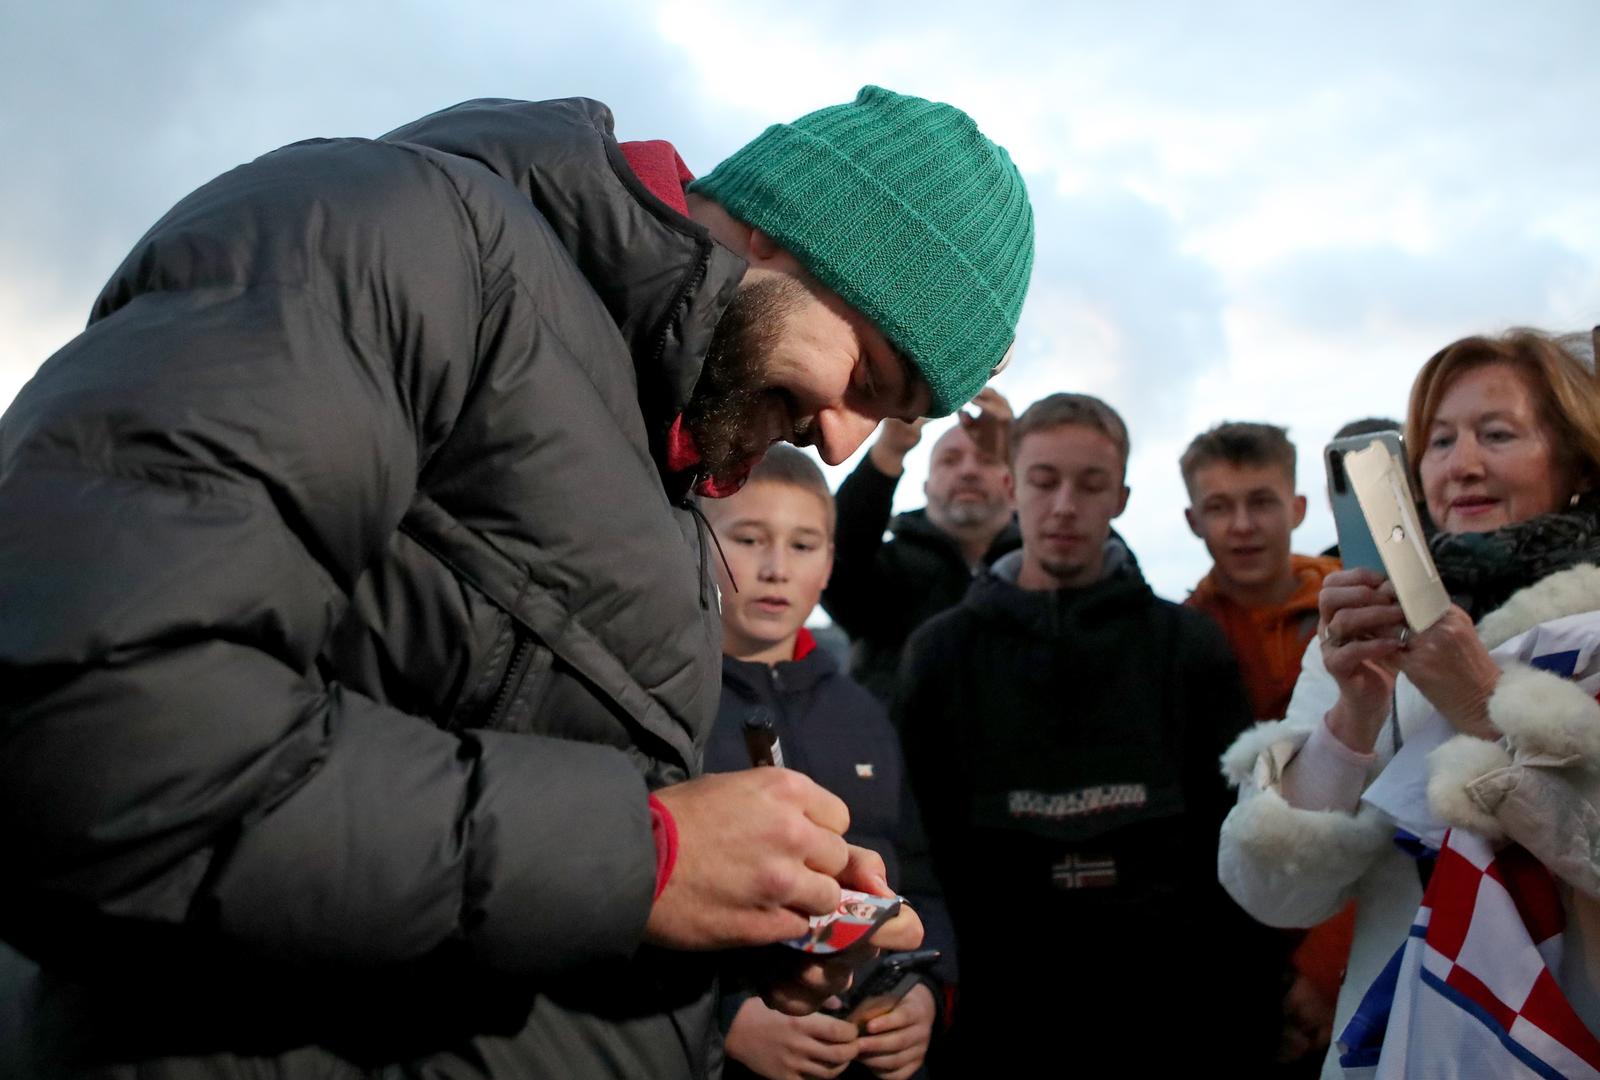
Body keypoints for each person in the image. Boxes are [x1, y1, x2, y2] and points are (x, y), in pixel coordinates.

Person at [0, 88, 1034, 1076]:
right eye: (865, 382)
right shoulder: (388, 239)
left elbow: (509, 839)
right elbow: (88, 735)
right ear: (793, 235)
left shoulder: (654, 452)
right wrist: (651, 856)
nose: (843, 442)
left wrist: (745, 909)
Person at [1219, 330, 1600, 1077]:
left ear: (1575, 458)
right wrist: (1350, 720)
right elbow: (1273, 894)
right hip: (1400, 1047)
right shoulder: (1370, 622)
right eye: (1438, 442)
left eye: (1497, 435)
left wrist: (1481, 704)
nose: (1461, 466)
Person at [896, 393, 1281, 1070]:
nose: (1065, 506)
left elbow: (1238, 841)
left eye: (1091, 484)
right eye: (1044, 483)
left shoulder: (1188, 647)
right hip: (997, 1017)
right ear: (1013, 486)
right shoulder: (941, 654)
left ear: (1123, 497)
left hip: (1173, 1016)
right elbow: (921, 847)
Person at [700, 445, 954, 1080]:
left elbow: (918, 876)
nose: (776, 569)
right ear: (700, 544)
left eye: (803, 545)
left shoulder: (865, 710)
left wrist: (926, 991)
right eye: (750, 538)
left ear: (830, 565)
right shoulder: (665, 701)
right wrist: (726, 1019)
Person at [1180, 421, 1350, 1074]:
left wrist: (1326, 963)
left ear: (1299, 508)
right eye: (1220, 507)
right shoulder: (1178, 640)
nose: (1243, 525)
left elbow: (1399, 799)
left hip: (1354, 933)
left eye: (1263, 501)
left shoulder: (1364, 611)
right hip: (1229, 957)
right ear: (1193, 520)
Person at [822, 387, 1020, 701]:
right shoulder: (885, 570)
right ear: (926, 487)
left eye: (987, 459)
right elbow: (836, 552)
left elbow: (1100, 567)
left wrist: (1021, 456)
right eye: (950, 460)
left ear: (1013, 482)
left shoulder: (1043, 566)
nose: (968, 471)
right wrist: (890, 448)